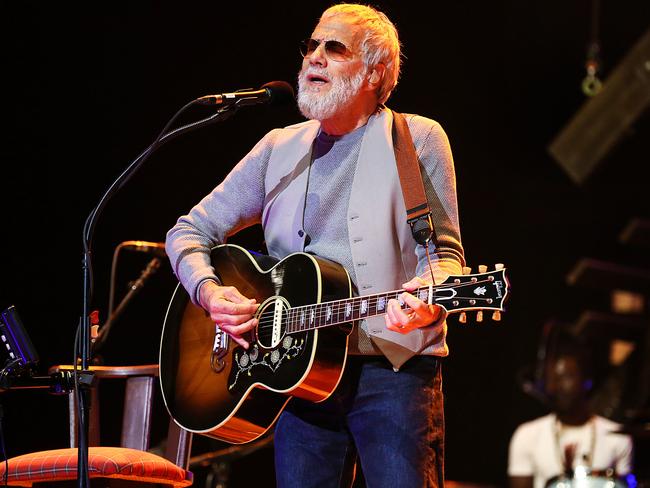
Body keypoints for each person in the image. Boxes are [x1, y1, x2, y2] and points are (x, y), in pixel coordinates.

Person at [165, 4, 464, 486]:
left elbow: (445, 259)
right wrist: (209, 292)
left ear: (374, 72)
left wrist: (429, 300)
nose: (314, 58)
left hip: (393, 372)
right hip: (299, 380)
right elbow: (188, 231)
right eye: (311, 46)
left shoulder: (418, 139)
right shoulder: (277, 146)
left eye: (334, 48)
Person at [508, 341, 633, 488]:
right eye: (552, 379)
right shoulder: (527, 435)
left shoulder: (617, 436)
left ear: (587, 381)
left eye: (565, 377)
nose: (556, 386)